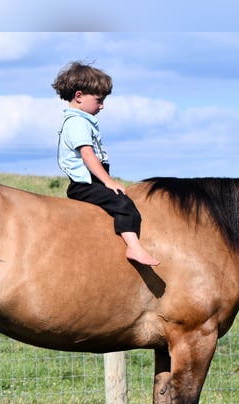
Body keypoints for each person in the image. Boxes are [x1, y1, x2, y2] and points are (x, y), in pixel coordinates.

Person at [52, 61, 159, 266]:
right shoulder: (76, 122)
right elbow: (88, 155)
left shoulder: (83, 120)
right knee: (122, 203)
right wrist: (108, 181)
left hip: (93, 181)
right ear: (79, 96)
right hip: (85, 184)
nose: (102, 106)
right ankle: (134, 248)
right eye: (99, 100)